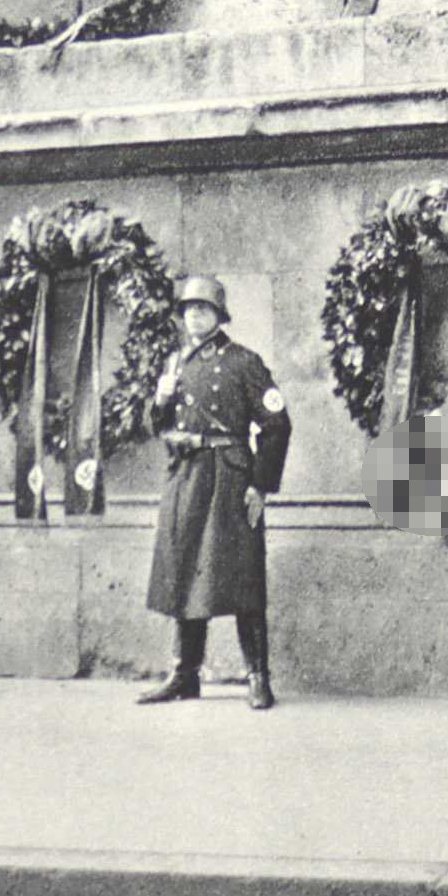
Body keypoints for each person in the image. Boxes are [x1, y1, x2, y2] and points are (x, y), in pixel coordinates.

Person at [138, 276, 291, 709]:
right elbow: (155, 426)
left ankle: (258, 677)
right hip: (186, 476)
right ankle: (185, 675)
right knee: (185, 570)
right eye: (189, 309)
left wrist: (259, 485)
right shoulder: (175, 364)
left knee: (244, 575)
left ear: (219, 315)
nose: (195, 316)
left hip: (229, 478)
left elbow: (277, 426)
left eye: (203, 309)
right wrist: (159, 401)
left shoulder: (244, 362)